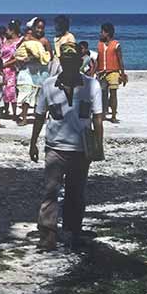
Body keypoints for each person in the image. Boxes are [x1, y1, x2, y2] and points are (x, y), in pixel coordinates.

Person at [29, 45, 104, 251]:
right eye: (66, 60)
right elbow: (39, 115)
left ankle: (73, 231)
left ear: (80, 61)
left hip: (81, 149)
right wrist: (33, 142)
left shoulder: (92, 85)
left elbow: (98, 118)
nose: (69, 64)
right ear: (60, 61)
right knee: (50, 191)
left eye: (73, 61)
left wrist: (98, 145)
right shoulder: (48, 85)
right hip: (55, 147)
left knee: (76, 193)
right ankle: (48, 234)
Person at [8, 17, 52, 125]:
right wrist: (23, 58)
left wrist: (36, 57)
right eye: (38, 28)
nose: (39, 30)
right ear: (33, 27)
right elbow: (18, 50)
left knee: (39, 94)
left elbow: (50, 55)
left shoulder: (45, 41)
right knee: (25, 92)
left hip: (40, 71)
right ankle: (24, 117)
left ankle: (39, 117)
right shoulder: (27, 38)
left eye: (42, 28)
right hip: (27, 69)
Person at [96, 22, 127, 123]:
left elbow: (120, 60)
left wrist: (122, 74)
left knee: (113, 94)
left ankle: (113, 115)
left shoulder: (116, 45)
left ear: (107, 33)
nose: (100, 33)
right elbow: (98, 59)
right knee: (102, 94)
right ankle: (104, 113)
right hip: (101, 73)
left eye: (102, 32)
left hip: (113, 72)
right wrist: (94, 72)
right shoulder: (100, 44)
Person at [0, 21, 21, 119]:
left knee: (11, 91)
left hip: (11, 69)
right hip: (1, 68)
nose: (6, 31)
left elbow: (18, 57)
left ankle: (15, 113)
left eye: (8, 30)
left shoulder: (19, 41)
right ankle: (6, 110)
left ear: (12, 31)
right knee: (3, 90)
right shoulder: (4, 40)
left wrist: (5, 64)